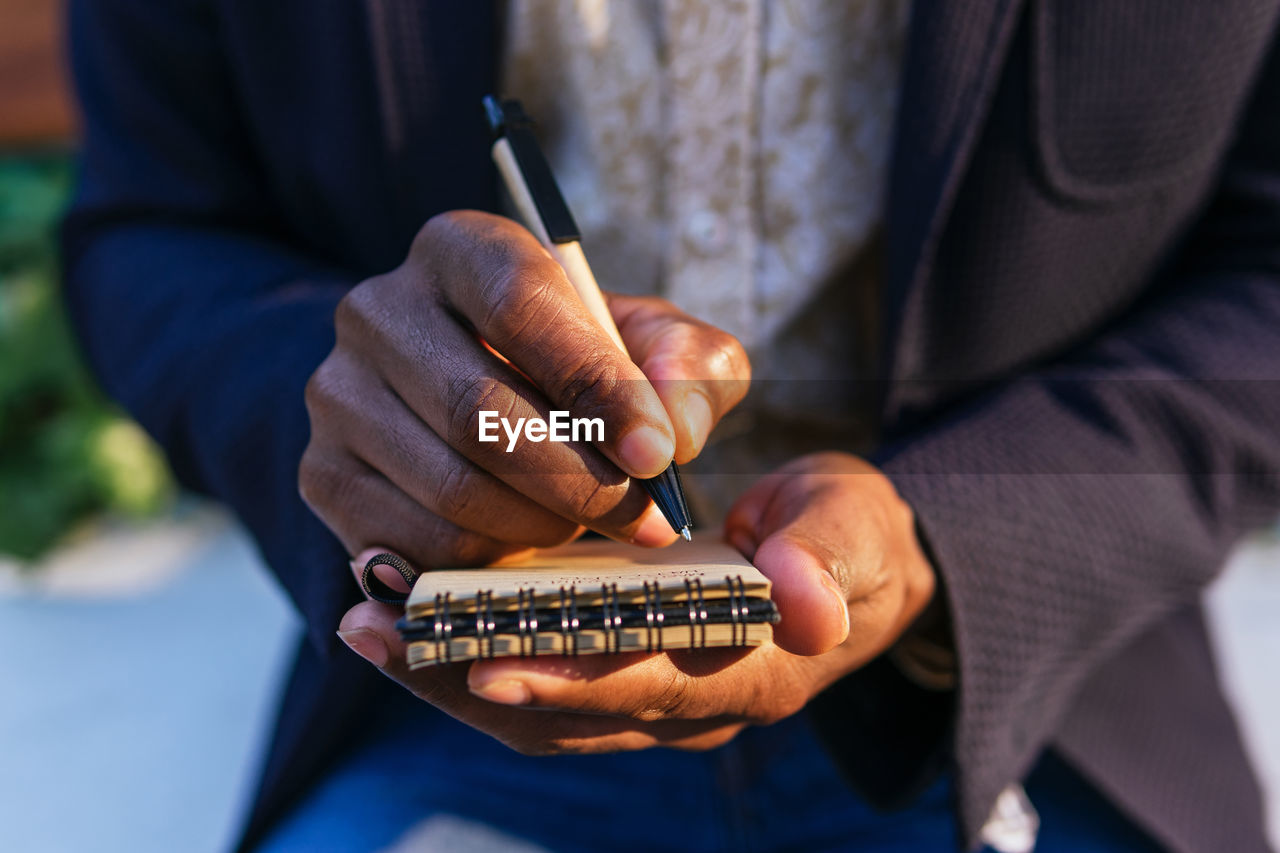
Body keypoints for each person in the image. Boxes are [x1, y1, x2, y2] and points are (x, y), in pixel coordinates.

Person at [61, 2, 1280, 852]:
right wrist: (365, 415)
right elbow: (155, 226)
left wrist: (945, 541)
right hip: (453, 675)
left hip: (1026, 692)